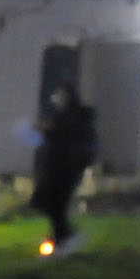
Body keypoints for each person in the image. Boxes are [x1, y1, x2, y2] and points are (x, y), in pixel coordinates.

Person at [29, 83, 98, 256]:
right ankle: (63, 237)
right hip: (56, 166)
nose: (57, 100)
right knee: (49, 204)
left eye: (59, 96)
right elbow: (58, 137)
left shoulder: (76, 117)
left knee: (56, 205)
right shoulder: (64, 116)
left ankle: (64, 240)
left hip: (67, 168)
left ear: (67, 96)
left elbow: (66, 138)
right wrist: (46, 131)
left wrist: (47, 130)